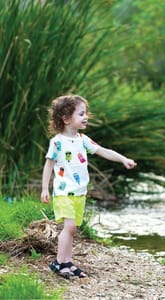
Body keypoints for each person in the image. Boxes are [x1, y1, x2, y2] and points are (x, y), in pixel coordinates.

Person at [40, 94, 137, 279]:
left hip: (79, 193)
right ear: (66, 118)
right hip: (63, 192)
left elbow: (103, 151)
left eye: (86, 113)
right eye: (81, 114)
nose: (86, 117)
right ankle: (59, 263)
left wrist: (123, 159)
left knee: (73, 228)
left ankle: (68, 262)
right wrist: (45, 188)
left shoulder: (83, 139)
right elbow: (49, 165)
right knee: (68, 227)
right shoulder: (57, 142)